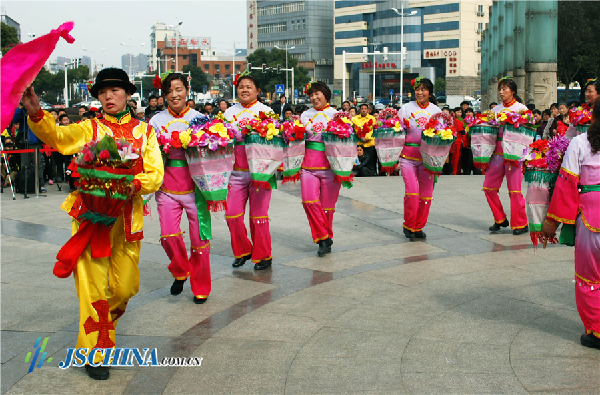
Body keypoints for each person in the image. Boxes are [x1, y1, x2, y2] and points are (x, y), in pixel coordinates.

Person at [22, 68, 163, 380]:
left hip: (126, 220)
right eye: (102, 92)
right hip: (90, 219)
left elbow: (155, 174)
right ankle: (96, 351)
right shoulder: (90, 128)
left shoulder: (145, 133)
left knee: (125, 288)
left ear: (127, 94)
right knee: (92, 288)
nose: (108, 96)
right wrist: (36, 113)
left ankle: (103, 328)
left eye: (114, 90)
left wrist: (131, 184)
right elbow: (59, 138)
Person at [541, 96, 600, 350]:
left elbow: (566, 186)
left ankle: (596, 331)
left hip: (591, 217)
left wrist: (551, 223)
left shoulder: (580, 142)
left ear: (593, 115)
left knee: (589, 277)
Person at [149, 73, 212, 305]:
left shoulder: (201, 119)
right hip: (166, 188)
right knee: (167, 235)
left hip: (196, 189)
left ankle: (201, 288)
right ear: (164, 95)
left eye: (178, 89)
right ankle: (180, 270)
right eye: (169, 91)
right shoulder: (156, 121)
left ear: (187, 91)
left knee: (199, 241)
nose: (174, 95)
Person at [223, 75, 274, 270]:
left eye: (249, 87)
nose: (244, 90)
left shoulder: (266, 111)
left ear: (258, 90)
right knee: (232, 215)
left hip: (260, 173)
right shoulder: (228, 112)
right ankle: (243, 250)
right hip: (235, 172)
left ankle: (264, 255)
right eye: (241, 87)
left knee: (258, 216)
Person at [483, 77, 528, 235]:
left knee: (514, 190)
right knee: (488, 187)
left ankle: (521, 223)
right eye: (500, 89)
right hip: (497, 153)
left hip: (514, 154)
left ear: (513, 91)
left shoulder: (521, 109)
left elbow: (529, 129)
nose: (501, 92)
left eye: (504, 89)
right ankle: (500, 218)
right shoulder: (495, 110)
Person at [396, 77, 441, 239]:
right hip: (407, 157)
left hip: (427, 159)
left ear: (429, 92)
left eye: (424, 89)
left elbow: (442, 134)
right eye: (418, 89)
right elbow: (397, 131)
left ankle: (418, 227)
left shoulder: (436, 111)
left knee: (426, 195)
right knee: (412, 192)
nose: (420, 92)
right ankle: (408, 224)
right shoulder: (406, 109)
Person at [300, 81, 339, 256]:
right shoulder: (305, 115)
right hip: (308, 166)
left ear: (325, 94)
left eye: (318, 93)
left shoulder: (337, 115)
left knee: (327, 207)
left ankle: (325, 241)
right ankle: (323, 236)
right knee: (309, 201)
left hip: (331, 166)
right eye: (311, 95)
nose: (314, 97)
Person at [354, 103, 378, 174]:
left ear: (368, 110)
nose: (364, 110)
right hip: (360, 143)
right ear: (360, 110)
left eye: (365, 109)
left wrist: (366, 138)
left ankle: (373, 173)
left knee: (371, 160)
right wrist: (361, 137)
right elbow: (355, 129)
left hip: (369, 143)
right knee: (359, 160)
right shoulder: (355, 118)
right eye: (362, 109)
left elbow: (372, 130)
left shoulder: (372, 118)